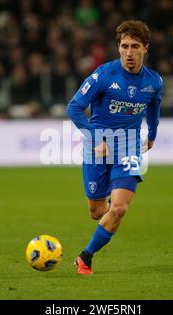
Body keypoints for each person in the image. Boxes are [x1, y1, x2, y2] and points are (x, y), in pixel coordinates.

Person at [66, 20, 163, 275]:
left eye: (135, 46)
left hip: (129, 147)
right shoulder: (103, 75)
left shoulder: (154, 81)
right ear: (118, 47)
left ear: (146, 48)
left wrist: (152, 134)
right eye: (124, 46)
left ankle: (85, 257)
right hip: (98, 147)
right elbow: (74, 107)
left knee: (119, 208)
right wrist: (94, 138)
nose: (129, 53)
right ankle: (109, 207)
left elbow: (154, 107)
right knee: (98, 212)